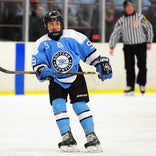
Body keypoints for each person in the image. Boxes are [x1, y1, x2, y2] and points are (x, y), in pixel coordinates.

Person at [31, 10, 112, 152]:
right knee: (58, 106)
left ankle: (91, 136)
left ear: (61, 24)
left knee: (80, 106)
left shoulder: (73, 36)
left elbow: (90, 53)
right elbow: (39, 63)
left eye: (57, 23)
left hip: (75, 76)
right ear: (46, 26)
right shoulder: (41, 43)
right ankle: (67, 137)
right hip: (55, 79)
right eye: (51, 24)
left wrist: (100, 64)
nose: (54, 26)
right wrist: (42, 70)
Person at [109, 0, 153, 95]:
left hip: (140, 45)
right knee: (129, 67)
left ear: (133, 8)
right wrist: (112, 46)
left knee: (142, 66)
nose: (129, 9)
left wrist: (149, 41)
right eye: (127, 7)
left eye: (131, 7)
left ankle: (142, 84)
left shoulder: (140, 17)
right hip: (128, 46)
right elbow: (115, 33)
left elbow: (149, 27)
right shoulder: (121, 20)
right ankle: (130, 86)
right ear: (125, 8)